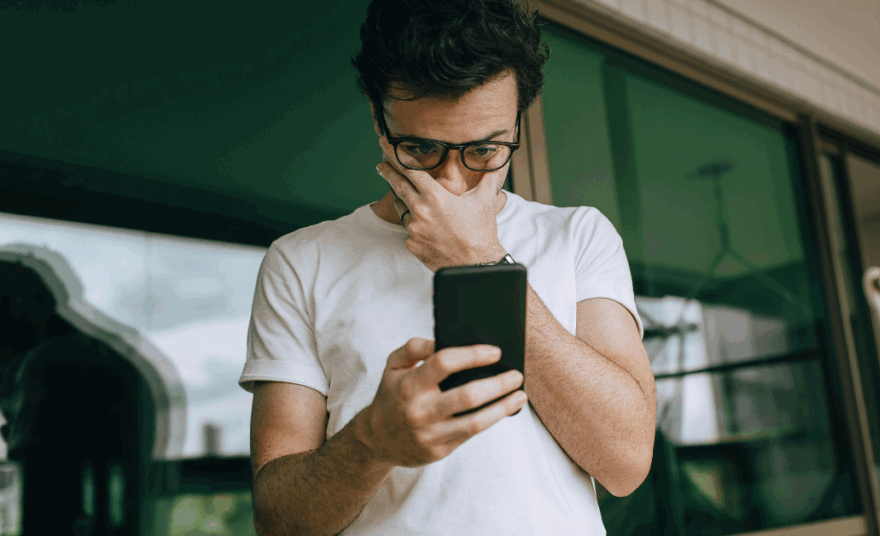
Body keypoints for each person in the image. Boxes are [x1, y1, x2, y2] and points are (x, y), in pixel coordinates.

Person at [239, 1, 657, 534]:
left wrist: (481, 260)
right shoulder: (300, 262)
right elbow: (278, 522)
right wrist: (371, 443)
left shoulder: (578, 235)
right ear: (376, 115)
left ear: (516, 122)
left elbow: (627, 463)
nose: (452, 183)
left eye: (484, 150)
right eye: (421, 149)